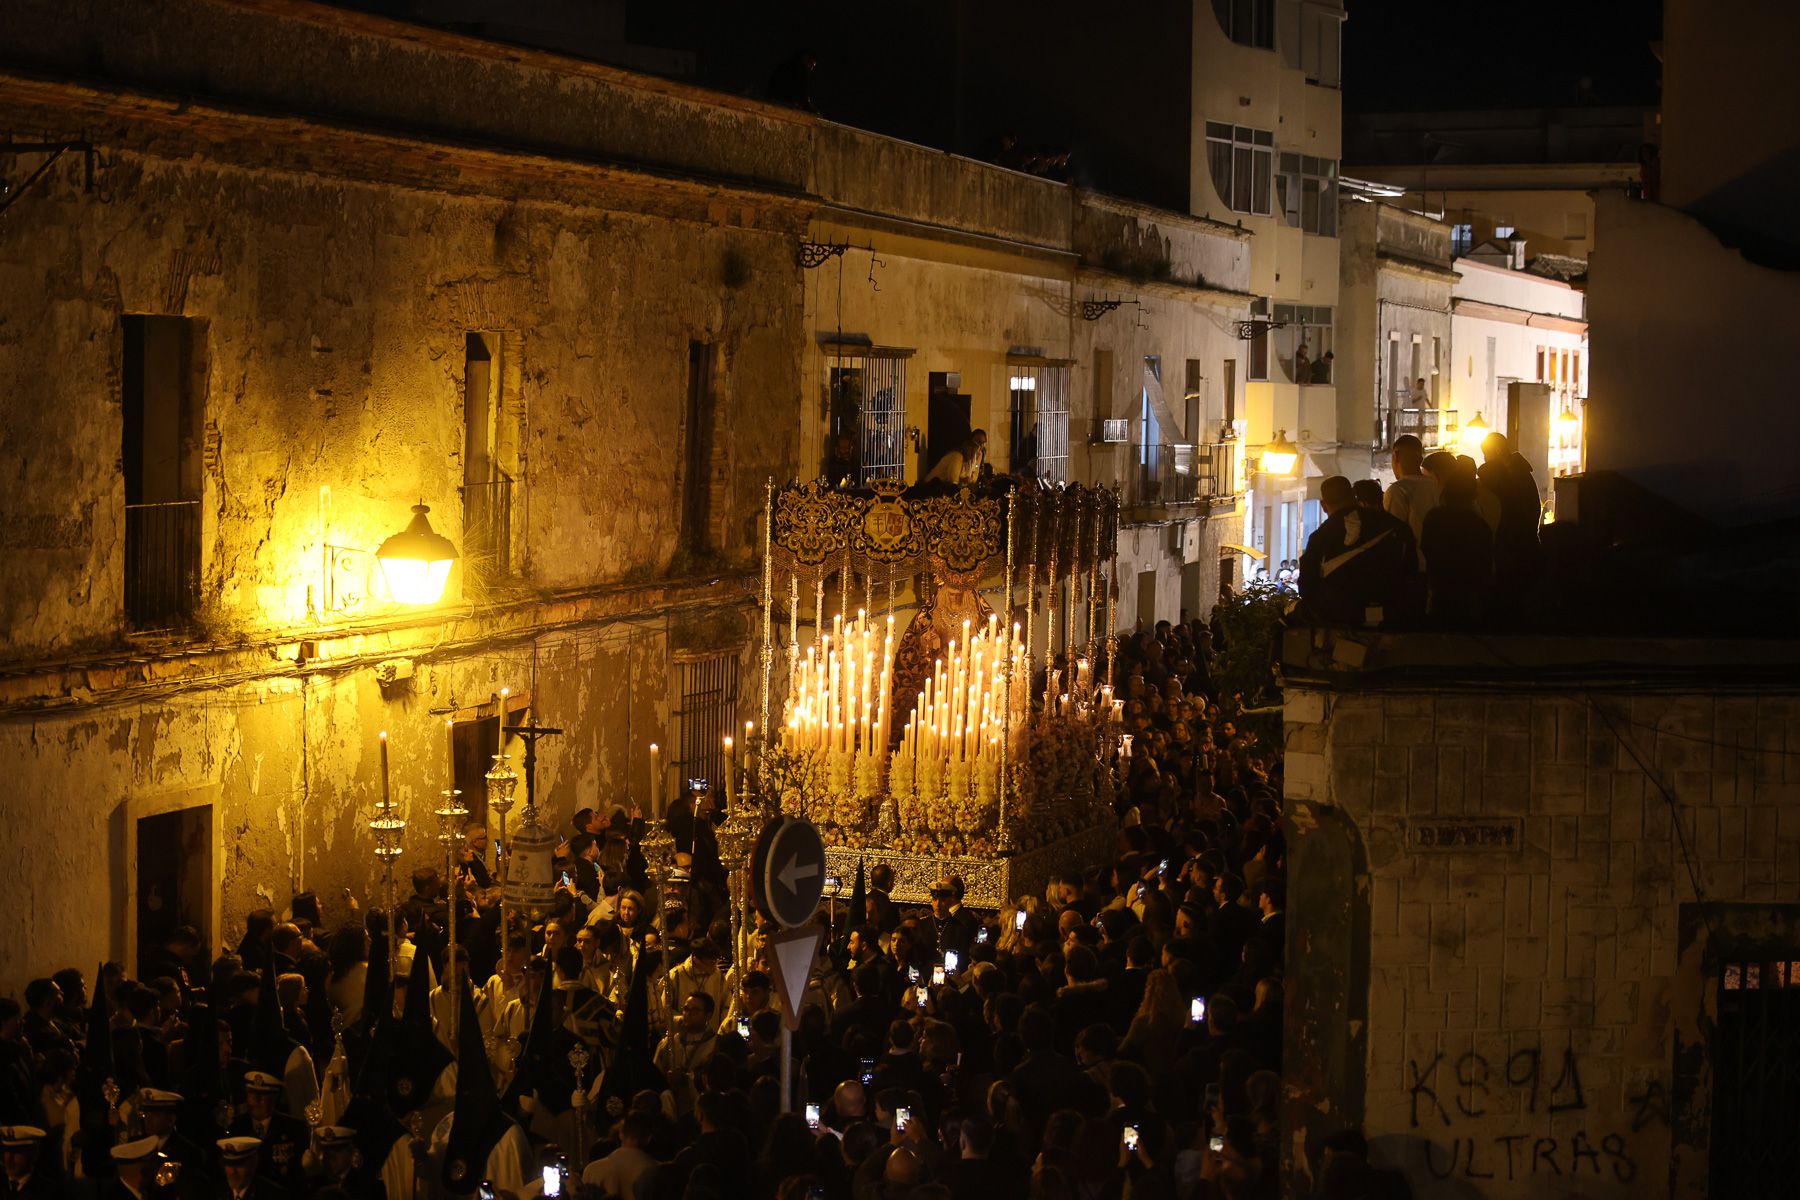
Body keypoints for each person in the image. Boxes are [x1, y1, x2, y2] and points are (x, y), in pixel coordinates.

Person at [1296, 476, 1414, 626]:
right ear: (1354, 495)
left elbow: (1306, 585)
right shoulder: (1394, 526)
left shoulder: (1321, 536)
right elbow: (1410, 569)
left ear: (1323, 505)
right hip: (1393, 613)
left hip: (1339, 618)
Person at [1419, 453, 1494, 628]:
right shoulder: (1479, 524)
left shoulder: (1435, 517)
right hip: (1471, 593)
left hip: (1440, 588)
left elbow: (1426, 548)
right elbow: (1485, 559)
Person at [1383, 433, 1438, 567]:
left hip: (1413, 566)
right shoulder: (1437, 486)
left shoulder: (1398, 491)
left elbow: (1393, 535)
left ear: (1395, 456)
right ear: (1420, 459)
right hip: (1438, 564)